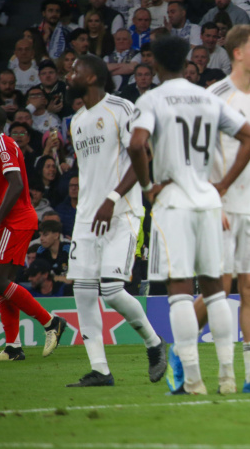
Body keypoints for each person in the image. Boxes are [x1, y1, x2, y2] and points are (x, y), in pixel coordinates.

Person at [126, 36, 250, 396]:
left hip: (174, 200)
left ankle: (192, 379)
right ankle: (228, 377)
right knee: (215, 292)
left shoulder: (151, 98)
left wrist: (148, 184)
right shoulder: (207, 96)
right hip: (209, 199)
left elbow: (135, 144)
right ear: (186, 61)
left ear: (156, 64)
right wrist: (221, 184)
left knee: (179, 291)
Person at [62, 54, 166, 387]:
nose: (69, 73)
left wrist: (111, 199)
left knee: (111, 290)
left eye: (75, 69)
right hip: (86, 218)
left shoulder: (121, 108)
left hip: (121, 212)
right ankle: (100, 370)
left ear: (92, 77)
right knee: (83, 291)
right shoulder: (75, 121)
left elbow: (142, 160)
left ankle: (154, 343)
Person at [0, 105, 67, 362]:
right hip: (13, 220)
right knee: (5, 283)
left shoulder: (2, 145)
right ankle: (13, 347)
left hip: (13, 221)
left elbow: (17, 184)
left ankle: (50, 322)